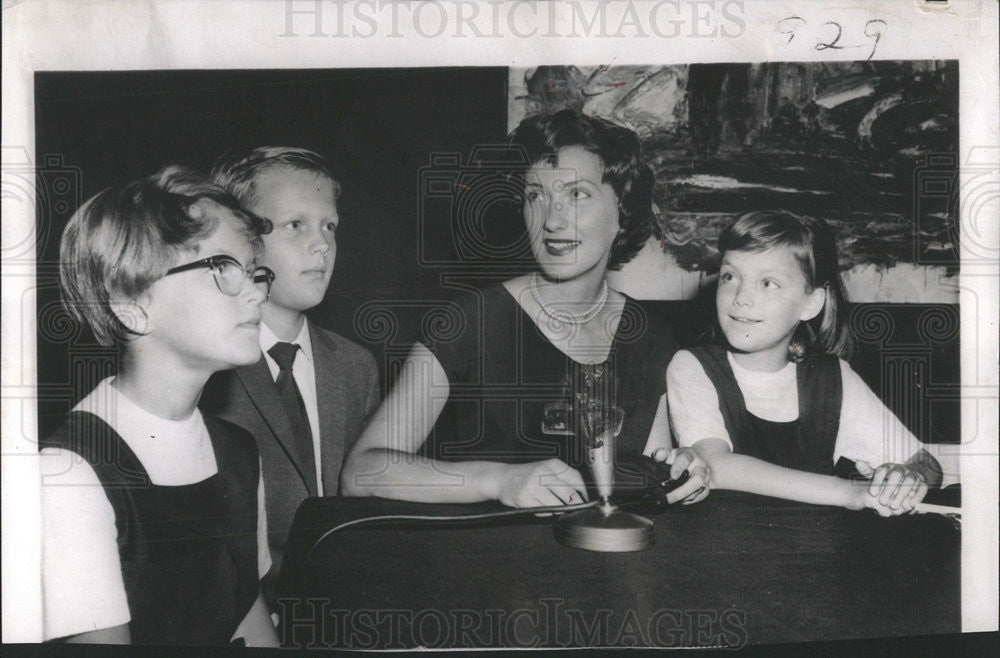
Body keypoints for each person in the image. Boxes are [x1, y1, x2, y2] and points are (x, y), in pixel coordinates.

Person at [342, 109, 709, 507]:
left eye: (576, 194)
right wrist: (499, 480)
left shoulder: (652, 336)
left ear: (622, 211)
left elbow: (645, 475)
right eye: (536, 195)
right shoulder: (469, 321)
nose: (551, 220)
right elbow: (361, 471)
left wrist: (680, 470)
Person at [39, 166, 279, 646]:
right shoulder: (69, 473)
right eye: (222, 268)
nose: (255, 291)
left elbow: (243, 611)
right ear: (132, 304)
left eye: (254, 272)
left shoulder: (237, 450)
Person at [666, 210, 959, 515]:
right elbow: (716, 466)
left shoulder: (832, 379)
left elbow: (926, 464)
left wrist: (906, 479)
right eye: (730, 276)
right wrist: (850, 492)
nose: (741, 297)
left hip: (816, 554)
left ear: (811, 303)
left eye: (768, 283)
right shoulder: (692, 366)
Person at [201, 147, 380, 580]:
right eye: (295, 225)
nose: (322, 244)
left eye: (330, 226)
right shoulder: (208, 370)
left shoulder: (357, 367)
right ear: (240, 240)